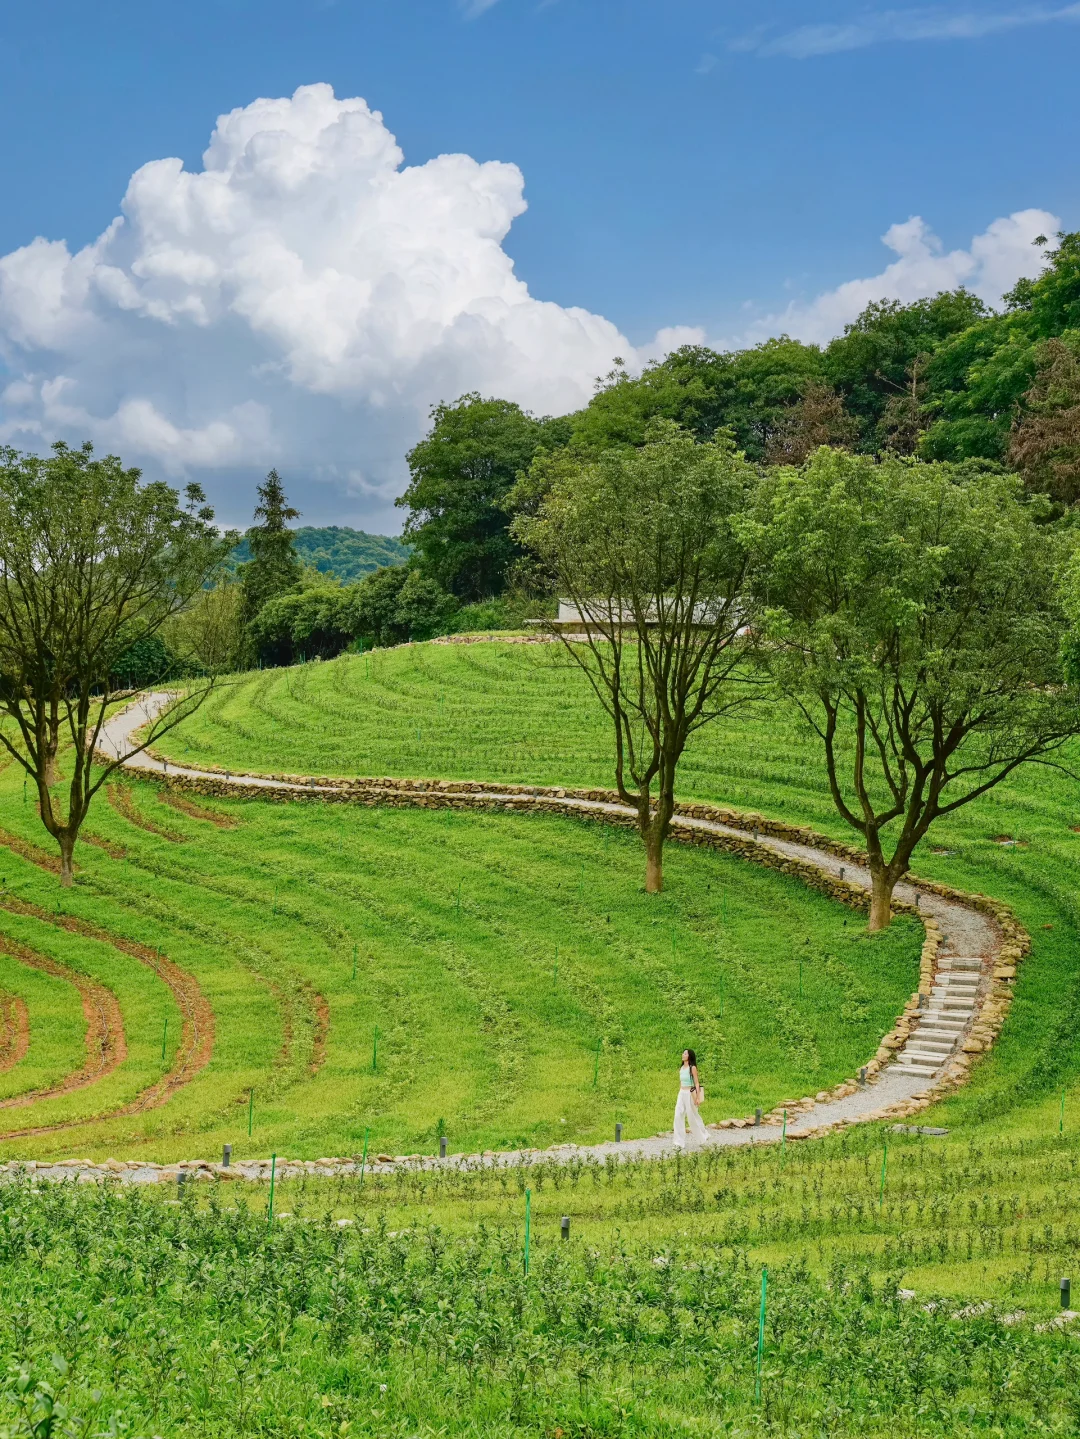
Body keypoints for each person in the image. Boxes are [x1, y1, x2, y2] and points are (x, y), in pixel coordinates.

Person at [673, 1048, 708, 1150]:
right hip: (681, 1093)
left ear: (689, 1056)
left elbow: (696, 1083)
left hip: (690, 1094)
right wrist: (680, 1092)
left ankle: (703, 1135)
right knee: (677, 1115)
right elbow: (681, 1082)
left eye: (685, 1053)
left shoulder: (692, 1068)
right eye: (683, 1053)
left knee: (692, 1116)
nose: (683, 1055)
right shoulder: (681, 1068)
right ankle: (678, 1142)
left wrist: (697, 1097)